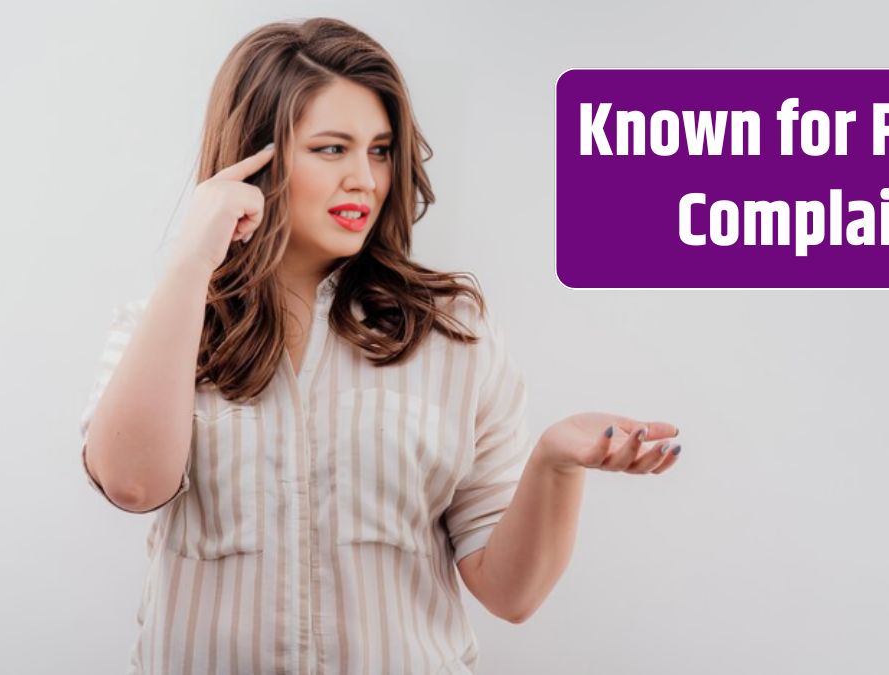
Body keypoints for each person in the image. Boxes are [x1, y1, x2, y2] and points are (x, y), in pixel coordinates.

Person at [78, 17, 683, 675]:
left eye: (381, 149)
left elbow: (511, 592)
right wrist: (194, 259)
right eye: (332, 149)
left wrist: (556, 462)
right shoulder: (163, 327)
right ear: (255, 157)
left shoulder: (453, 336)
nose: (365, 179)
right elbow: (133, 482)